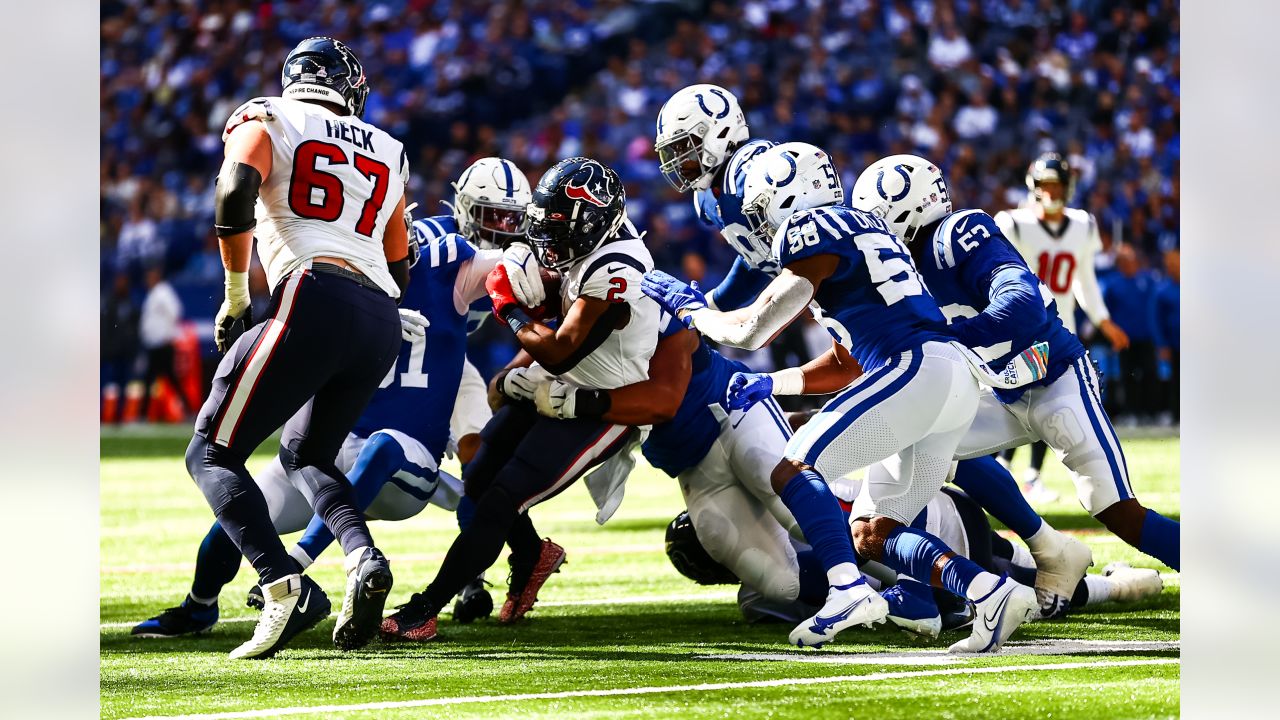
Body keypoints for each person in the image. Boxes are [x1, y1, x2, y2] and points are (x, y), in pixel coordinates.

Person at [643, 143, 1046, 652]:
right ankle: (989, 592)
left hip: (914, 368)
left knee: (793, 466)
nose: (762, 228)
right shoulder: (863, 231)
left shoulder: (811, 229)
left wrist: (689, 306)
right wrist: (776, 383)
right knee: (873, 532)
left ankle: (848, 590)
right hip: (946, 378)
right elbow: (846, 363)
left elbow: (747, 330)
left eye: (762, 211)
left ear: (789, 196)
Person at [132, 217, 500, 638]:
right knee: (238, 509)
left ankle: (300, 563)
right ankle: (198, 607)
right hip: (332, 450)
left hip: (403, 455)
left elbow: (515, 267)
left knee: (386, 448)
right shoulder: (345, 290)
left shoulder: (446, 273)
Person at [185, 37, 410, 659]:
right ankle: (363, 557)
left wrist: (235, 295)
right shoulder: (390, 151)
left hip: (312, 290)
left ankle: (285, 587)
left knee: (211, 454)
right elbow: (400, 261)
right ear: (351, 89)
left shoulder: (267, 114)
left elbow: (234, 192)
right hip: (378, 314)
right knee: (307, 453)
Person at [848, 154, 1180, 575]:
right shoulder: (899, 268)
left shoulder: (958, 235)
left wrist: (948, 340)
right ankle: (1019, 560)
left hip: (1053, 378)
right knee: (916, 445)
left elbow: (1022, 304)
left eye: (876, 220)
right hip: (995, 390)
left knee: (1116, 512)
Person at [381, 157, 659, 642]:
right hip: (562, 382)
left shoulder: (620, 267)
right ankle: (532, 556)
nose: (550, 245)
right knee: (479, 475)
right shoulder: (588, 237)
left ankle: (425, 608)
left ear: (595, 225)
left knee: (503, 497)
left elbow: (557, 350)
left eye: (560, 232)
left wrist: (508, 306)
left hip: (604, 401)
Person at [534, 309, 803, 606]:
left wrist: (576, 402)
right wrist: (516, 379)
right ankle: (846, 585)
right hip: (693, 466)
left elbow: (663, 403)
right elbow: (535, 362)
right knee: (781, 586)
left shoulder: (651, 304)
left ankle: (855, 536)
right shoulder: (571, 328)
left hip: (734, 411)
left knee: (798, 514)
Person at [666, 479, 1164, 633]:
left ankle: (1109, 585)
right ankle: (1112, 585)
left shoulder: (759, 592)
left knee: (1008, 575)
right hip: (938, 528)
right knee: (1014, 575)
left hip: (925, 559)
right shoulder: (781, 513)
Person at [411, 156, 535, 622]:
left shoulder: (516, 255)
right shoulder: (433, 241)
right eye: (491, 216)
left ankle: (473, 579)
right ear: (464, 208)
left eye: (511, 218)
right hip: (397, 359)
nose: (503, 228)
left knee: (478, 459)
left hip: (449, 359)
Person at [994, 153, 1130, 503]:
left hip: (1060, 331)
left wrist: (1103, 321)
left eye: (1057, 184)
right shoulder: (1013, 224)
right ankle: (1002, 471)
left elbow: (1084, 280)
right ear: (1034, 188)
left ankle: (1030, 476)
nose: (1052, 191)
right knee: (1011, 402)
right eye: (1046, 185)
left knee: (1048, 404)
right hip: (1019, 329)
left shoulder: (1083, 224)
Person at [1103, 244, 1161, 423]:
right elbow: (1107, 312)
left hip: (1146, 337)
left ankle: (1152, 413)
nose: (1128, 264)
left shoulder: (1148, 280)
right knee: (1128, 376)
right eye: (1124, 261)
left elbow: (1155, 309)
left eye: (1131, 260)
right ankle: (1131, 413)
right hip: (1124, 339)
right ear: (1119, 263)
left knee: (1150, 374)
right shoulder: (1112, 284)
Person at [138, 265, 189, 420]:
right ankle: (188, 409)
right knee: (165, 379)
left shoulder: (163, 291)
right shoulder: (154, 293)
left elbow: (176, 310)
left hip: (162, 344)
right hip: (154, 344)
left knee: (151, 378)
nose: (147, 279)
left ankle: (143, 415)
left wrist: (168, 333)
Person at [1150, 249, 1179, 422]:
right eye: (1170, 264)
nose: (1173, 267)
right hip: (1174, 344)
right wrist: (1162, 344)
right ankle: (1176, 415)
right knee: (1175, 381)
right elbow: (1156, 320)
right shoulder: (1162, 290)